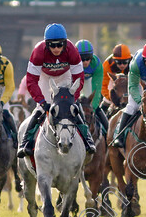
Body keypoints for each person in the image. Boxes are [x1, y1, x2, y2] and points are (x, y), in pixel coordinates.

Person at [17, 23, 95, 158]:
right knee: (41, 109)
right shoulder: (38, 51)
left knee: (73, 107)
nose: (56, 48)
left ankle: (87, 139)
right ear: (46, 44)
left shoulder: (71, 50)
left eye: (60, 45)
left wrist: (73, 96)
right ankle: (25, 141)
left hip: (65, 76)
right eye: (52, 45)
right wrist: (41, 101)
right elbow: (31, 81)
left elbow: (79, 77)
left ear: (65, 43)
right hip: (45, 78)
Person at [76, 39, 109, 136]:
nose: (85, 62)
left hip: (90, 82)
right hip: (76, 81)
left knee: (93, 105)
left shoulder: (97, 64)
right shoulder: (72, 64)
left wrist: (93, 107)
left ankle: (108, 133)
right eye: (82, 59)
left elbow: (97, 88)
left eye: (88, 58)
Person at [100, 43, 133, 113]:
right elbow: (103, 85)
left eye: (125, 62)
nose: (122, 65)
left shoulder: (134, 63)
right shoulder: (107, 64)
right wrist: (110, 97)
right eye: (119, 62)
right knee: (106, 101)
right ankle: (99, 118)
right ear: (114, 60)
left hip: (130, 83)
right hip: (114, 82)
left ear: (129, 59)